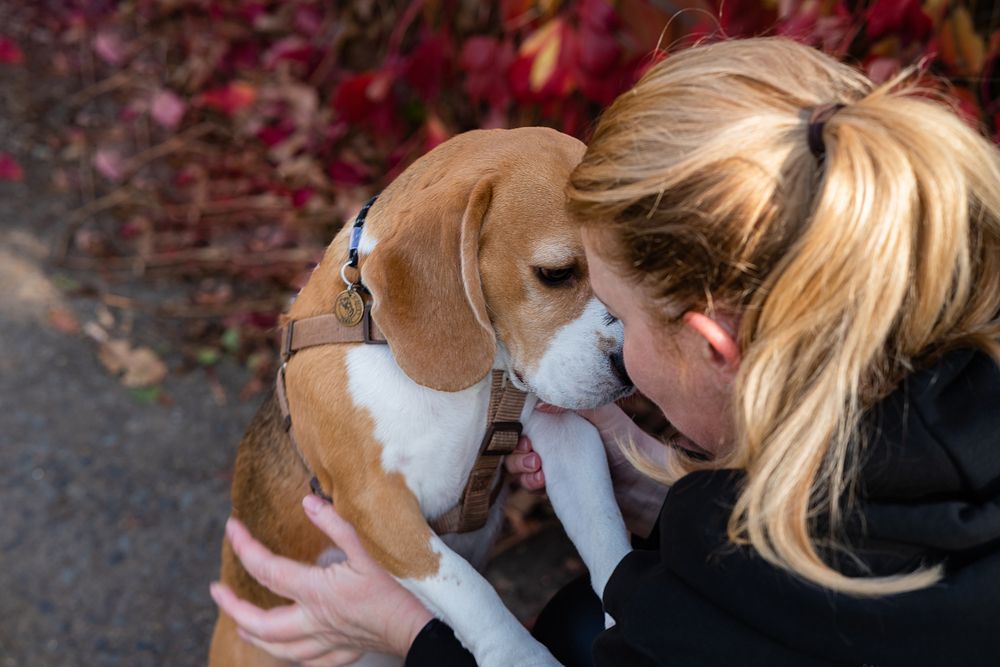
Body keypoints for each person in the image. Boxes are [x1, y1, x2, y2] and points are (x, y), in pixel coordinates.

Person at [210, 36, 1000, 666]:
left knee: (575, 629)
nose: (609, 343)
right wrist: (671, 496)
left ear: (715, 346)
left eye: (616, 312)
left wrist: (410, 632)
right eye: (565, 279)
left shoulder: (725, 622)